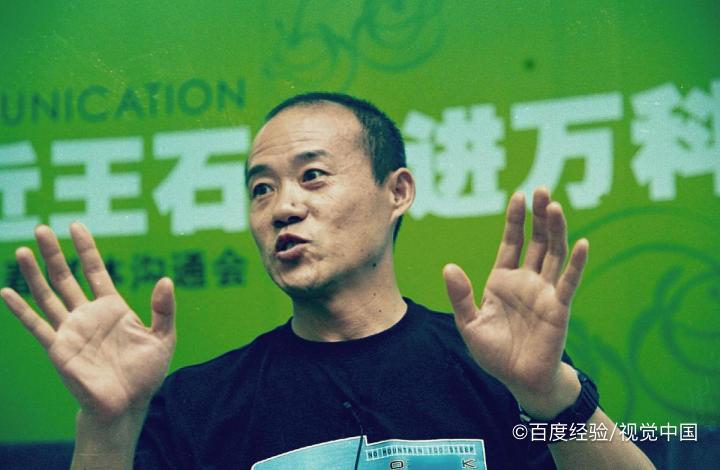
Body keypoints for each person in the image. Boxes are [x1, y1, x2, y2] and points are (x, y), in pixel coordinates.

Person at [1, 93, 654, 469]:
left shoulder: (497, 367)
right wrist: (108, 427)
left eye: (312, 177)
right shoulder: (197, 404)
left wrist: (549, 395)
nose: (283, 207)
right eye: (261, 189)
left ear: (397, 191)